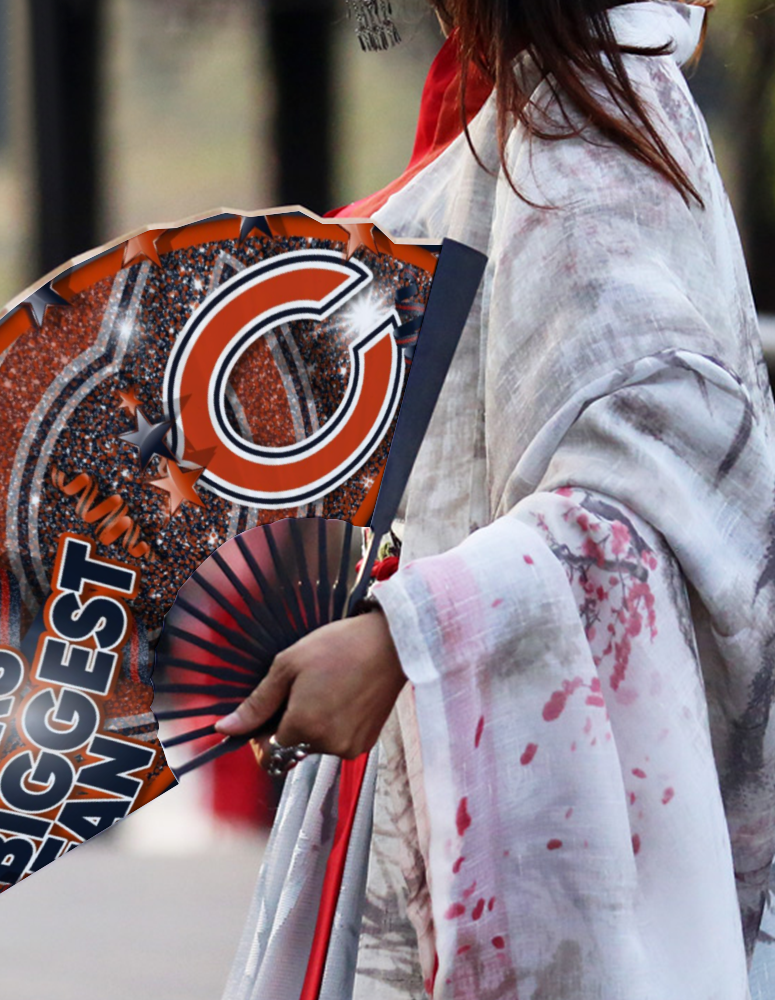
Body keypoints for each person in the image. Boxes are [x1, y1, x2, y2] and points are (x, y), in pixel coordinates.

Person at [214, 1, 775, 997]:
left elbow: (644, 501)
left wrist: (401, 637)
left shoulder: (585, 141)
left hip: (528, 776)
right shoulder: (556, 106)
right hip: (448, 738)